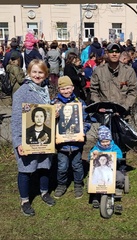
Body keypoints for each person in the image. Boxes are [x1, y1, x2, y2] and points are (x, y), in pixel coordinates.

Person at [11, 59, 55, 216]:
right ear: (29, 73)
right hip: (26, 139)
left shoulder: (45, 89)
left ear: (45, 74)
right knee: (25, 169)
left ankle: (44, 192)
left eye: (40, 72)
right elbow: (16, 119)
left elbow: (47, 113)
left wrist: (53, 113)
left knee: (44, 166)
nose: (37, 75)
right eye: (34, 72)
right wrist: (17, 142)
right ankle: (25, 200)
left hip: (44, 138)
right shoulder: (22, 92)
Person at [51, 76, 91, 199]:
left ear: (73, 88)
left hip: (76, 143)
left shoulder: (79, 103)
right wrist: (54, 115)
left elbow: (86, 120)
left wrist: (83, 131)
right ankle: (61, 184)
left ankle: (78, 184)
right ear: (58, 89)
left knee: (77, 165)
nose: (66, 91)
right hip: (62, 144)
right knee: (62, 166)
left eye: (68, 88)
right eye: (63, 89)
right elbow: (48, 123)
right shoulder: (54, 104)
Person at [90, 42, 137, 113]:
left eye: (117, 52)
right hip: (104, 114)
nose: (114, 54)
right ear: (107, 53)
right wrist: (99, 105)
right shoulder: (99, 71)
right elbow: (94, 91)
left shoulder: (129, 71)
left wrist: (124, 107)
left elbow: (133, 92)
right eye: (111, 52)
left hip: (123, 114)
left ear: (120, 54)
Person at [89, 125, 125, 206]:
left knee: (120, 177)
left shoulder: (114, 147)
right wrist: (92, 154)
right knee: (92, 179)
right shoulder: (96, 148)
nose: (105, 144)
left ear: (110, 140)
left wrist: (117, 157)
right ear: (100, 141)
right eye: (103, 142)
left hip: (113, 169)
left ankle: (117, 188)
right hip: (100, 171)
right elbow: (90, 156)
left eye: (107, 141)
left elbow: (120, 155)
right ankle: (96, 196)